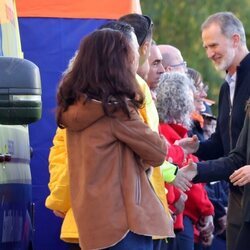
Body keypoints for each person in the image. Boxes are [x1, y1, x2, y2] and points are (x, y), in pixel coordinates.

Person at [46, 20, 176, 249]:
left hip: (88, 226)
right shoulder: (118, 109)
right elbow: (157, 152)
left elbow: (63, 160)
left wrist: (59, 198)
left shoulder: (74, 110)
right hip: (125, 224)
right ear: (119, 62)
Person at [177, 12, 250, 250]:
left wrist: (196, 171)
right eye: (206, 47)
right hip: (238, 197)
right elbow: (224, 144)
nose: (209, 53)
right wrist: (197, 147)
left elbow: (238, 155)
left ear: (236, 40)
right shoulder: (226, 86)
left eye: (213, 45)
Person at [156, 72, 214, 250]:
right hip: (176, 218)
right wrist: (208, 210)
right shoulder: (172, 135)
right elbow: (191, 182)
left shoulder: (172, 133)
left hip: (176, 216)